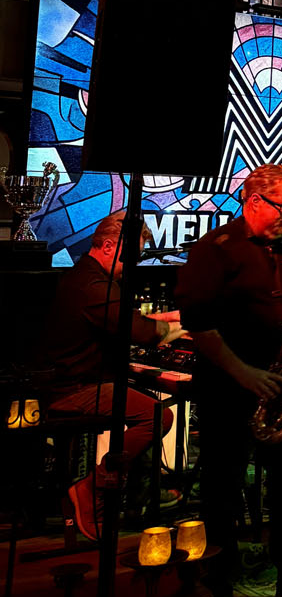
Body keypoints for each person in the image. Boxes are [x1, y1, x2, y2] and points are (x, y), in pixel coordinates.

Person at [175, 164, 282, 597]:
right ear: (254, 200)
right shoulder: (216, 249)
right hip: (230, 386)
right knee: (221, 494)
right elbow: (199, 324)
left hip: (280, 383)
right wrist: (243, 373)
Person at [43, 211, 179, 540]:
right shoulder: (93, 286)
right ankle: (92, 487)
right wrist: (184, 328)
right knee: (158, 416)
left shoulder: (85, 277)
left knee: (147, 400)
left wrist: (168, 318)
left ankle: (137, 493)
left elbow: (123, 320)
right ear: (107, 246)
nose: (131, 266)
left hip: (82, 378)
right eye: (129, 257)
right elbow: (141, 332)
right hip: (73, 388)